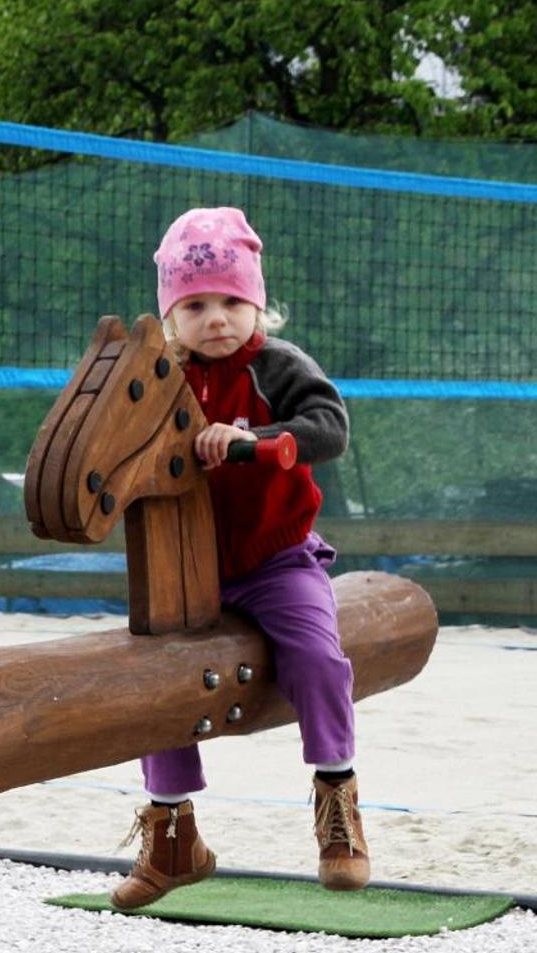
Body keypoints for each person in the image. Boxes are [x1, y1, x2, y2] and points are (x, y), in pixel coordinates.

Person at [111, 206, 367, 909]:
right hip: (188, 567)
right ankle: (173, 834)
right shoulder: (160, 376)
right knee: (154, 677)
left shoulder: (277, 366)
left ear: (257, 304)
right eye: (194, 305)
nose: (216, 317)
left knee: (317, 656)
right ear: (171, 317)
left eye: (231, 300)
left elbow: (329, 427)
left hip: (275, 558)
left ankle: (338, 803)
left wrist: (257, 434)